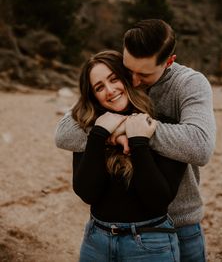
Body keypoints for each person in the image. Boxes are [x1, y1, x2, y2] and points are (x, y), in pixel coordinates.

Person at [55, 19, 216, 262]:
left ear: (168, 61)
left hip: (179, 222)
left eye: (144, 74)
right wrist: (112, 130)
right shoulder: (117, 77)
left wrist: (140, 131)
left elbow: (200, 146)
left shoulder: (188, 84)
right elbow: (64, 132)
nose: (134, 80)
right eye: (128, 70)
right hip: (106, 229)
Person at [71, 50, 187, 261]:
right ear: (93, 96)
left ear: (127, 78)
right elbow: (87, 193)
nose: (109, 90)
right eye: (99, 87)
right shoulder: (93, 129)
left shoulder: (166, 125)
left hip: (150, 243)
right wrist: (100, 135)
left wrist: (139, 142)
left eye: (114, 79)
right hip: (96, 241)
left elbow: (158, 200)